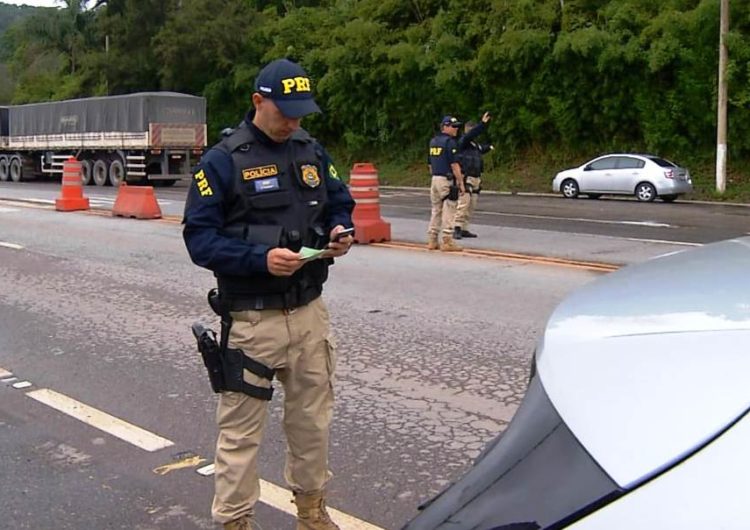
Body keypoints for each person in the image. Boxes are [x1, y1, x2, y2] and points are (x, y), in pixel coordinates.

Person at [182, 58, 355, 530]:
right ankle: (236, 522)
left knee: (313, 425)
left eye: (301, 113)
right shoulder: (221, 161)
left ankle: (312, 513)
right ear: (258, 102)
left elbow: (340, 198)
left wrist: (342, 227)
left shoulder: (311, 150)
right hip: (253, 322)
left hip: (309, 314)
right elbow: (199, 239)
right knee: (240, 435)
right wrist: (259, 260)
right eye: (285, 112)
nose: (294, 122)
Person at [427, 115, 466, 251]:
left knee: (436, 210)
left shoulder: (433, 142)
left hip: (435, 179)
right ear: (445, 126)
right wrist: (461, 183)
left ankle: (432, 239)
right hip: (446, 179)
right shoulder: (450, 143)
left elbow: (430, 164)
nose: (456, 129)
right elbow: (455, 165)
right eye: (453, 126)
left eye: (457, 127)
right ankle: (447, 240)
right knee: (450, 208)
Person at [454, 112, 493, 239]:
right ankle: (457, 227)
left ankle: (464, 228)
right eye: (473, 131)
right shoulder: (463, 141)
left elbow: (482, 149)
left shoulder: (474, 145)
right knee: (463, 203)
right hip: (467, 176)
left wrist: (490, 147)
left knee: (472, 204)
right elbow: (471, 135)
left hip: (476, 176)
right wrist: (482, 124)